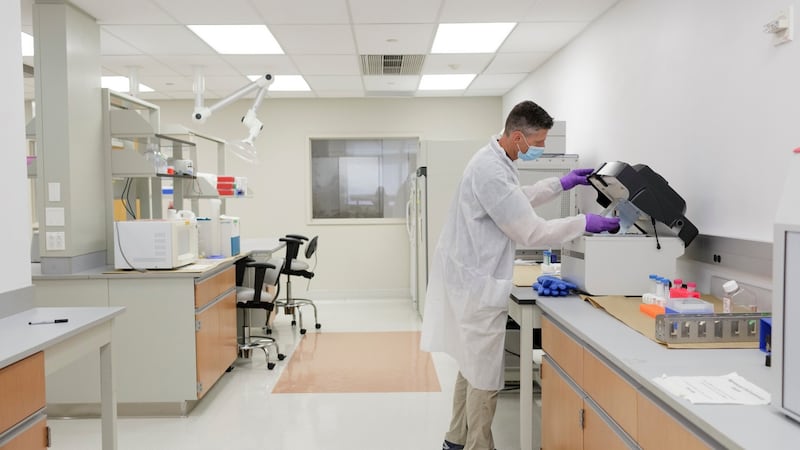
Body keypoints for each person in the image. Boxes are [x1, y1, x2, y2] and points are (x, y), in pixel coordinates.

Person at [420, 100, 620, 450]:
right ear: (517, 137)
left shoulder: (493, 160)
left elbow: (516, 200)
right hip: (476, 285)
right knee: (484, 375)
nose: (541, 149)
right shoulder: (491, 170)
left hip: (470, 280)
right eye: (538, 143)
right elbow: (530, 232)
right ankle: (477, 446)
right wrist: (582, 223)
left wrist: (561, 184)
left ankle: (455, 440)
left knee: (472, 367)